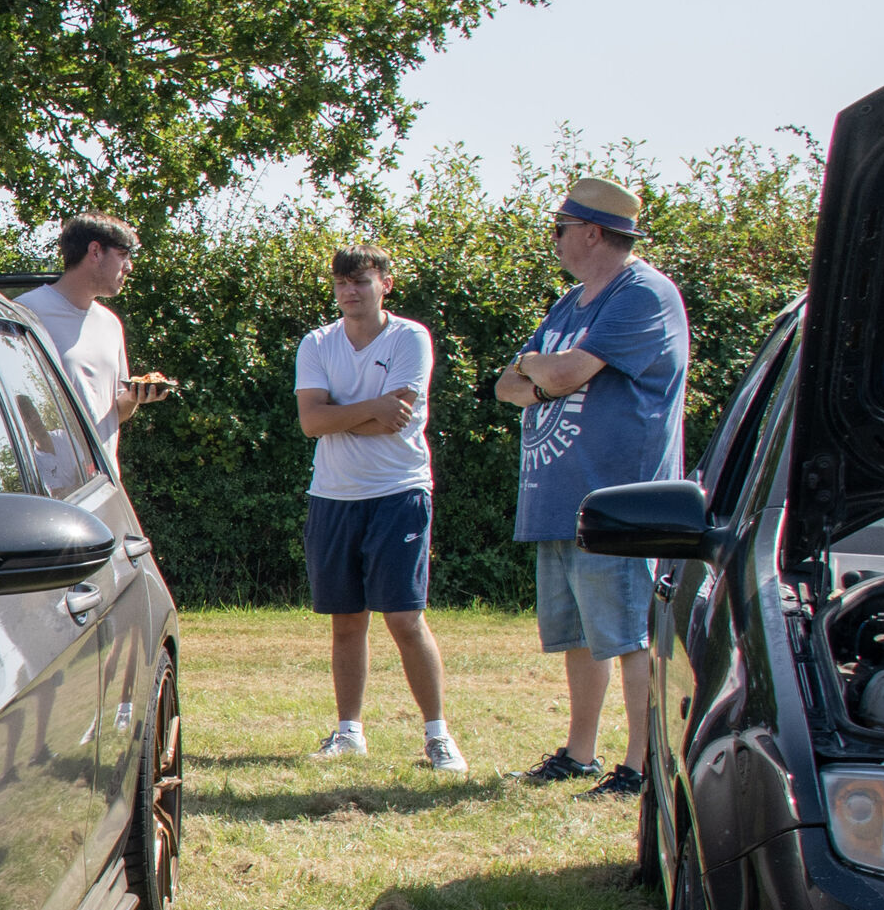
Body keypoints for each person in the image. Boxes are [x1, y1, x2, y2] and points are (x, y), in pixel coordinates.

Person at [496, 178, 690, 797]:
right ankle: (579, 754)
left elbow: (566, 372)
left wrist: (543, 372)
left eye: (558, 229)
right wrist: (540, 372)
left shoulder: (643, 294)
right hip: (562, 497)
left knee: (630, 637)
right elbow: (507, 384)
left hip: (619, 503)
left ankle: (640, 766)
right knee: (579, 637)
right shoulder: (569, 303)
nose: (553, 240)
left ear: (591, 233)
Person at [295, 245, 462, 772]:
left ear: (385, 284)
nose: (349, 291)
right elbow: (311, 422)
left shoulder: (410, 338)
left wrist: (338, 414)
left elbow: (398, 420)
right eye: (341, 283)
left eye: (361, 282)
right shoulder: (317, 343)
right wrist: (368, 410)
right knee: (346, 621)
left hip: (398, 492)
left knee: (405, 619)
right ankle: (349, 733)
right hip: (334, 495)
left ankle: (438, 736)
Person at [14, 212, 171, 467]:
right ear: (95, 251)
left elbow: (112, 413)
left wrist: (133, 397)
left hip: (104, 479)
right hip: (53, 482)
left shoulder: (111, 324)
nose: (129, 267)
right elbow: (14, 399)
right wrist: (50, 453)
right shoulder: (26, 312)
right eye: (123, 255)